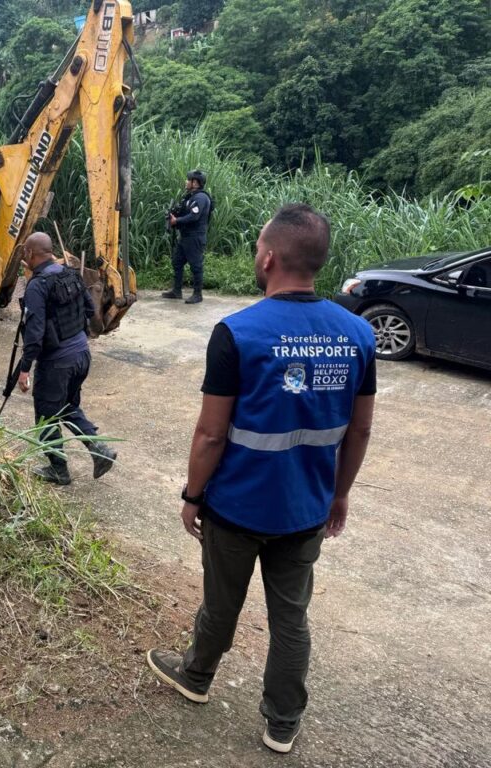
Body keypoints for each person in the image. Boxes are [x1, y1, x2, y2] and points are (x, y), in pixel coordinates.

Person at [146, 204, 377, 754]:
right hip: (305, 511)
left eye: (256, 249)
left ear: (270, 257)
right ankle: (282, 722)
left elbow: (210, 435)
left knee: (221, 604)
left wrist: (192, 495)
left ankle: (196, 677)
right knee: (291, 618)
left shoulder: (237, 333)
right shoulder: (358, 335)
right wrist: (338, 495)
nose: (256, 256)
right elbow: (360, 431)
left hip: (236, 507)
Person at [17, 232, 117, 485]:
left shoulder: (38, 286)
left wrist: (24, 369)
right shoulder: (71, 274)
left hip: (58, 363)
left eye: (25, 253)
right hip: (81, 355)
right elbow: (90, 309)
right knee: (68, 407)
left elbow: (34, 333)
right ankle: (100, 451)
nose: (24, 257)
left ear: (31, 253)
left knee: (46, 416)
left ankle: (58, 470)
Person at [163, 169, 212, 304]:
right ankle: (176, 291)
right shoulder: (190, 197)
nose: (186, 182)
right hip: (185, 237)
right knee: (177, 262)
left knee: (196, 266)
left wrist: (177, 221)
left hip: (194, 237)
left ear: (195, 183)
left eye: (188, 180)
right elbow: (185, 213)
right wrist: (174, 217)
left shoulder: (201, 198)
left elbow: (194, 216)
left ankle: (198, 294)